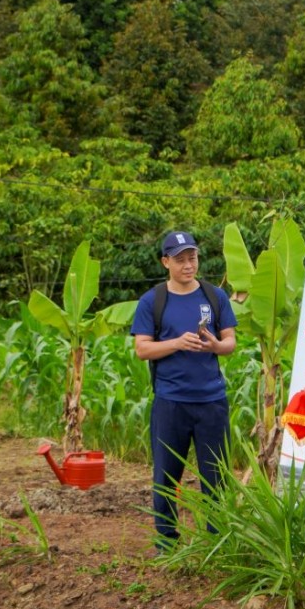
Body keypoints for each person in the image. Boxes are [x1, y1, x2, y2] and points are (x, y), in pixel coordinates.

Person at [131, 230, 237, 551]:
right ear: (166, 262)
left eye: (192, 257)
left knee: (215, 475)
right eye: (180, 260)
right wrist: (177, 342)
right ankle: (167, 543)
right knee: (166, 475)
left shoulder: (215, 297)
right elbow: (142, 349)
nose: (188, 264)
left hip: (211, 401)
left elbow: (230, 342)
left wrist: (216, 345)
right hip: (171, 402)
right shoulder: (153, 302)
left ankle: (215, 541)